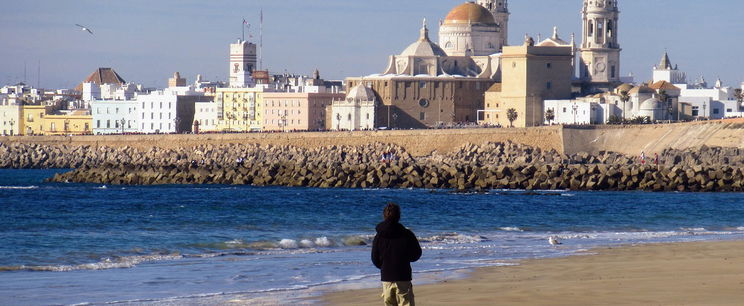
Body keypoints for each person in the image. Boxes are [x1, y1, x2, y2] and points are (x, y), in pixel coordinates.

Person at [372, 202, 422, 306]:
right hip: (403, 275)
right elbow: (417, 253)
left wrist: (384, 266)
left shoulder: (379, 236)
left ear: (384, 215)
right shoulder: (407, 234)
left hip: (386, 276)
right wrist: (406, 259)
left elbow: (374, 257)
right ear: (399, 216)